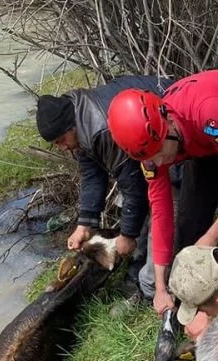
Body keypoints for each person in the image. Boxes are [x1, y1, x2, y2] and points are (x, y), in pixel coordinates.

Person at [106, 70, 218, 315]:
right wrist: (159, 287)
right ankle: (195, 300)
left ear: (167, 123)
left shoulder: (206, 114)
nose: (158, 161)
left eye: (158, 150)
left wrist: (212, 235)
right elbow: (161, 212)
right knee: (188, 226)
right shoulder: (150, 155)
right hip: (200, 144)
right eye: (149, 158)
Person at [35, 75, 171, 299]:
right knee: (142, 211)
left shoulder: (101, 130)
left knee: (163, 207)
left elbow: (134, 185)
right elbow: (91, 174)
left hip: (168, 126)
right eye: (55, 144)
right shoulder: (79, 124)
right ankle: (140, 272)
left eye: (61, 141)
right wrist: (84, 224)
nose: (61, 148)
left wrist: (127, 235)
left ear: (71, 127)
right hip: (149, 133)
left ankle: (147, 286)